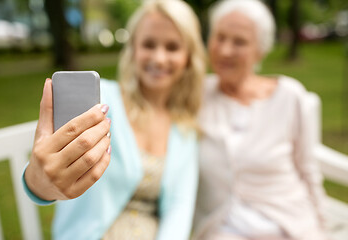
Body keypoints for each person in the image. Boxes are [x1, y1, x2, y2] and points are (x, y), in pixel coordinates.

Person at [23, 0, 206, 239]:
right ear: (133, 49)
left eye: (172, 47)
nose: (159, 58)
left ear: (189, 56)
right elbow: (49, 172)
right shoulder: (99, 102)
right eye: (149, 44)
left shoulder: (184, 128)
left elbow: (178, 210)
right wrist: (39, 181)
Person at [193, 0, 328, 240]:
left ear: (261, 49)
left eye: (239, 42)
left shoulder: (289, 95)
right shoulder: (196, 95)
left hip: (290, 227)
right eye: (220, 37)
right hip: (223, 230)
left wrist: (322, 229)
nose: (225, 50)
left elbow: (308, 171)